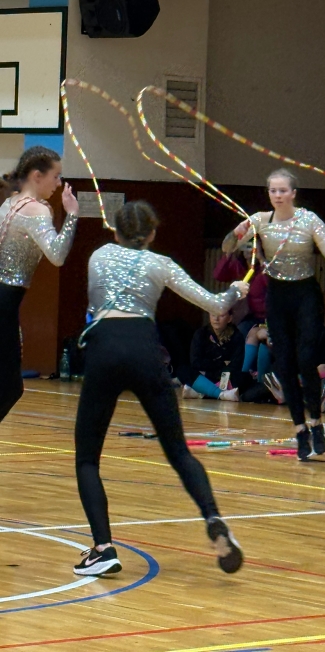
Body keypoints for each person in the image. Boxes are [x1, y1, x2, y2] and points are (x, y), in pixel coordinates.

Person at [73, 201, 249, 577]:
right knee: (179, 452)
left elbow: (93, 307)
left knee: (87, 458)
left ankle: (103, 549)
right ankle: (213, 519)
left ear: (115, 230)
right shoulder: (161, 264)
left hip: (104, 350)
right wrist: (236, 291)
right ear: (152, 233)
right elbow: (215, 303)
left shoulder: (98, 255)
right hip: (145, 351)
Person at [223, 168, 325, 461]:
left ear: (293, 193)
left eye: (283, 190)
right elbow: (227, 247)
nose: (277, 195)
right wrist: (236, 234)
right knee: (284, 363)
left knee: (306, 358)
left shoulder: (309, 219)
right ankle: (300, 429)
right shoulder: (259, 220)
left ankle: (317, 423)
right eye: (273, 190)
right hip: (278, 297)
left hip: (305, 295)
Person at [0, 147, 78, 426]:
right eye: (55, 176)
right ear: (37, 176)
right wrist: (72, 216)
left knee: (7, 386)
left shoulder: (9, 203)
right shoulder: (36, 210)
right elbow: (57, 256)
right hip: (4, 302)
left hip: (6, 302)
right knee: (9, 388)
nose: (59, 183)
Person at [183, 310, 245, 401]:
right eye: (213, 315)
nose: (216, 319)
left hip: (224, 376)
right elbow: (195, 362)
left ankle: (201, 391)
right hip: (204, 375)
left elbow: (236, 365)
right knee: (183, 371)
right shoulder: (201, 334)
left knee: (244, 378)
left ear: (229, 318)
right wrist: (221, 363)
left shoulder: (237, 336)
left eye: (221, 316)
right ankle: (221, 394)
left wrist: (212, 368)